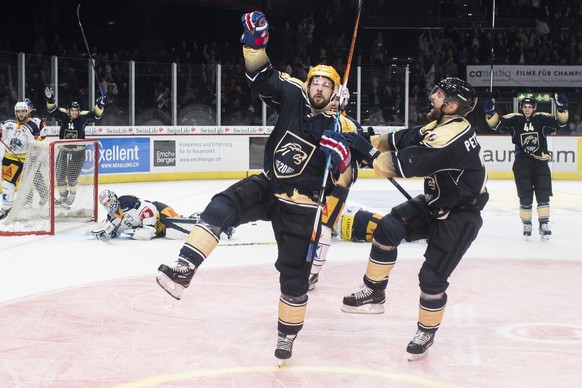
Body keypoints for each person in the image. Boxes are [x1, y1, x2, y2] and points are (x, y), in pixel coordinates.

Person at [156, 11, 358, 364]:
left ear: (337, 91)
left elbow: (345, 179)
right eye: (316, 81)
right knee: (222, 204)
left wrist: (342, 156)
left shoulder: (344, 126)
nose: (319, 88)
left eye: (327, 84)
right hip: (270, 185)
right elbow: (259, 75)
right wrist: (256, 42)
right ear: (308, 83)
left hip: (304, 207)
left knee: (294, 280)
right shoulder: (294, 95)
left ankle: (286, 337)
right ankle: (184, 269)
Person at [342, 77, 488, 361]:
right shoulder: (443, 124)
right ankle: (374, 290)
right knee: (388, 227)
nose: (432, 96)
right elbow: (404, 139)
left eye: (439, 94)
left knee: (431, 278)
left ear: (452, 105)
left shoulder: (449, 138)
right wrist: (365, 139)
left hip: (460, 216)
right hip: (437, 202)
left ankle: (426, 331)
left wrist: (367, 153)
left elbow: (397, 165)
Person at [308, 86, 374, 291]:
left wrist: (361, 150)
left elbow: (365, 159)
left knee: (324, 228)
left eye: (339, 99)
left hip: (338, 185)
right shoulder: (313, 119)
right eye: (333, 98)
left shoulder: (351, 125)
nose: (335, 102)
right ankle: (304, 265)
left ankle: (312, 273)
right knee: (308, 227)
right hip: (314, 183)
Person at [483, 94, 568, 240]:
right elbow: (495, 125)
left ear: (534, 108)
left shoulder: (542, 118)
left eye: (530, 107)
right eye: (525, 107)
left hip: (540, 161)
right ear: (521, 107)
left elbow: (561, 123)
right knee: (525, 194)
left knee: (543, 193)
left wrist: (562, 108)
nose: (527, 109)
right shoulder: (515, 119)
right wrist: (490, 113)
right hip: (522, 162)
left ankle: (544, 224)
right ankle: (527, 224)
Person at [44, 86, 107, 207]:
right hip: (64, 150)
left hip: (78, 151)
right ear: (68, 110)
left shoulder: (82, 117)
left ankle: (71, 197)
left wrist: (100, 105)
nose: (75, 112)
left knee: (72, 176)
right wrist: (50, 99)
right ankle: (63, 198)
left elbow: (95, 116)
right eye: (72, 110)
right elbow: (52, 110)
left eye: (77, 110)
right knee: (60, 174)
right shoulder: (63, 115)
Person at [0, 102, 42, 219]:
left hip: (21, 160)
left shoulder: (32, 126)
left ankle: (6, 208)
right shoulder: (9, 123)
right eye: (19, 111)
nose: (21, 114)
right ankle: (8, 207)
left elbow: (36, 143)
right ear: (16, 112)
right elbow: (2, 134)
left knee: (8, 184)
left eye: (23, 111)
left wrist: (33, 155)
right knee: (6, 184)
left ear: (27, 112)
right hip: (7, 158)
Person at [91, 189, 182, 241]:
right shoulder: (111, 218)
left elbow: (147, 207)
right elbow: (114, 233)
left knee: (180, 224)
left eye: (109, 201)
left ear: (114, 197)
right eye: (105, 204)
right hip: (159, 231)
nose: (109, 205)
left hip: (159, 211)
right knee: (174, 234)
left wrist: (148, 228)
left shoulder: (125, 201)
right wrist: (106, 233)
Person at [24, 98, 49, 206]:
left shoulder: (37, 121)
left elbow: (44, 134)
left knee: (33, 176)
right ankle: (30, 199)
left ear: (31, 108)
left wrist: (36, 139)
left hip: (34, 154)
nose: (25, 109)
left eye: (27, 107)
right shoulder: (18, 121)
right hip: (22, 153)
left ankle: (39, 196)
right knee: (27, 177)